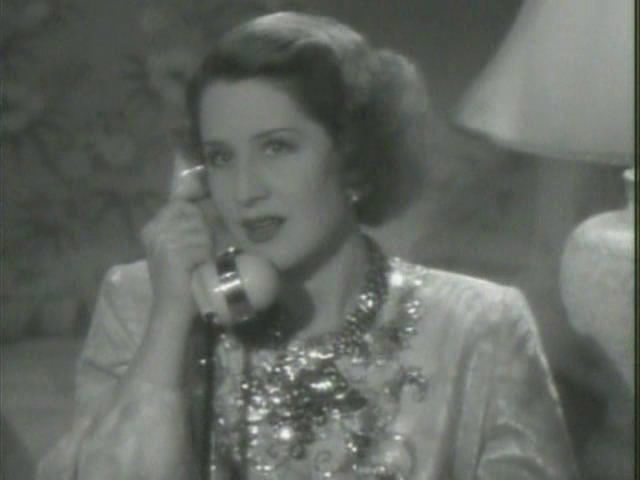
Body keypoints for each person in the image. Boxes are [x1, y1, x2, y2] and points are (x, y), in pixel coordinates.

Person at [38, 11, 579, 480]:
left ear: (353, 158)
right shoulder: (143, 303)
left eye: (276, 148)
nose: (245, 191)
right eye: (221, 157)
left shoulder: (480, 327)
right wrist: (171, 320)